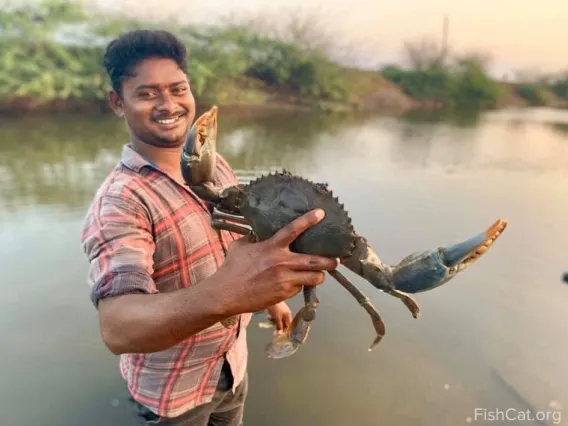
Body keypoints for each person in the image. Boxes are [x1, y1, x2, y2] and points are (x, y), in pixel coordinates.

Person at [80, 29, 338, 426]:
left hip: (231, 367)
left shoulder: (213, 163)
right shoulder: (120, 202)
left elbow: (241, 238)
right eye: (147, 93)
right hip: (173, 395)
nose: (169, 104)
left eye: (177, 88)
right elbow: (119, 327)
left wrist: (269, 296)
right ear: (118, 102)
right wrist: (231, 294)